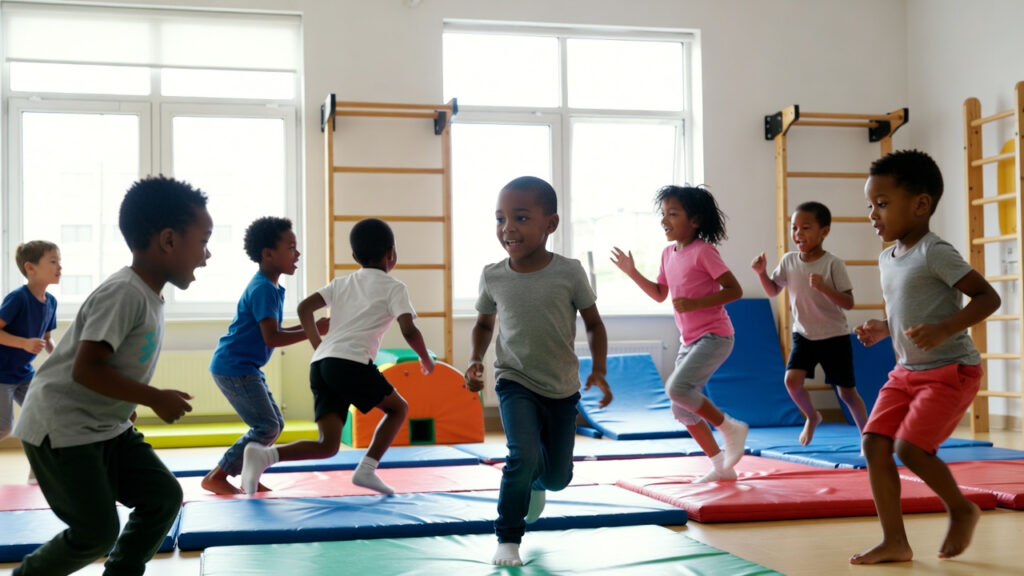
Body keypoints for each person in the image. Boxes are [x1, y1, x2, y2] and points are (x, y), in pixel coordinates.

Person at [11, 175, 212, 576]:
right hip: (62, 428)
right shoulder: (124, 292)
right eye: (203, 241)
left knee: (162, 497)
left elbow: (111, 366)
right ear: (168, 240)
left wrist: (125, 402)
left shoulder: (148, 294)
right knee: (96, 531)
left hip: (104, 425)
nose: (206, 256)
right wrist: (152, 397)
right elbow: (87, 368)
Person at [851, 149, 1000, 565]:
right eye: (870, 205)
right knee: (874, 442)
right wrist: (886, 327)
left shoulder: (935, 251)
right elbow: (911, 309)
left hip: (951, 370)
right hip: (906, 371)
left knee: (910, 448)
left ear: (920, 205)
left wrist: (945, 328)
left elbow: (988, 297)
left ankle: (961, 508)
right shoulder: (887, 257)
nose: (873, 214)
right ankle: (895, 541)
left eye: (882, 203)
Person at [465, 176, 612, 567]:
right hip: (514, 380)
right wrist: (476, 358)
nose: (507, 228)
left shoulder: (569, 272)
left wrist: (599, 369)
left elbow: (594, 323)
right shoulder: (493, 275)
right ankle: (508, 538)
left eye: (521, 217)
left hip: (562, 387)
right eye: (500, 218)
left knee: (558, 477)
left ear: (551, 223)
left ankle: (535, 483)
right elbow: (483, 324)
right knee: (523, 453)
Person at [241, 217, 434, 496]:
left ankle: (263, 456)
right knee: (399, 409)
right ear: (391, 253)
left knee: (328, 445)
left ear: (355, 257)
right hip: (351, 364)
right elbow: (409, 329)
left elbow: (305, 308)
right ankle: (367, 469)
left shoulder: (342, 283)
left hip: (321, 365)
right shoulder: (395, 288)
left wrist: (318, 345)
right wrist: (425, 358)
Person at [611, 184, 748, 484]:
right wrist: (632, 272)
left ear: (695, 221)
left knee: (676, 388)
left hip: (715, 336)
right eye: (663, 214)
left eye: (673, 214)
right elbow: (660, 294)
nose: (664, 220)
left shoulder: (704, 252)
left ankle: (731, 428)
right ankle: (722, 467)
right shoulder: (667, 254)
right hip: (691, 341)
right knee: (682, 409)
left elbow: (734, 290)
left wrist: (696, 303)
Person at [201, 217, 329, 495]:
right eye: (291, 247)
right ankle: (217, 476)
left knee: (275, 424)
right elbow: (272, 338)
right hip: (234, 367)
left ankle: (250, 473)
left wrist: (313, 328)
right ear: (268, 254)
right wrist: (312, 330)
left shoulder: (269, 287)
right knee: (267, 425)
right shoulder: (263, 289)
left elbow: (274, 332)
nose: (298, 254)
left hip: (243, 366)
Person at [751, 201, 869, 445]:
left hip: (834, 335)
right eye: (794, 228)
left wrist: (825, 288)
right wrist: (762, 273)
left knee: (847, 393)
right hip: (804, 335)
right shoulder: (789, 260)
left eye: (805, 228)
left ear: (824, 232)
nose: (798, 234)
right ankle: (812, 416)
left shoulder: (833, 263)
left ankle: (868, 438)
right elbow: (773, 290)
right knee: (791, 382)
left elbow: (848, 303)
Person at [0, 241, 60, 453]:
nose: (60, 267)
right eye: (53, 261)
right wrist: (23, 343)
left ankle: (38, 471)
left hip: (24, 374)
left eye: (59, 262)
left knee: (44, 419)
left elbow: (47, 339)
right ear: (30, 268)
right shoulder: (18, 298)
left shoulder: (51, 302)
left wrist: (62, 358)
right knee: (4, 428)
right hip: (2, 374)